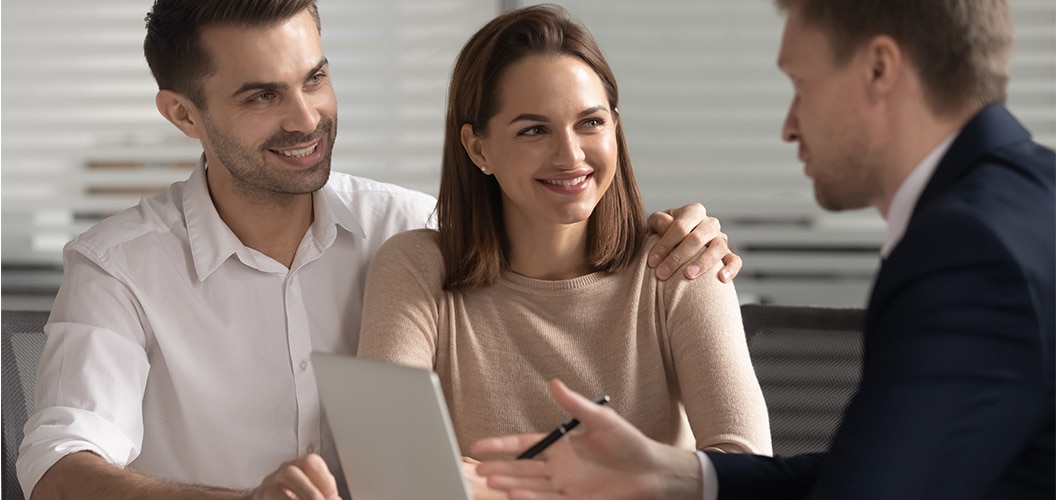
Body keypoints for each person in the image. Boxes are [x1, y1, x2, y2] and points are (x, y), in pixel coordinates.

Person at [14, 1, 743, 499]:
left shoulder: (411, 227)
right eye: (261, 96)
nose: (306, 118)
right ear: (183, 114)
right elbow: (58, 466)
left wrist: (686, 238)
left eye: (316, 78)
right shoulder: (121, 264)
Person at [472, 0, 1056, 499]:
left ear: (879, 69)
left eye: (800, 84)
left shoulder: (970, 252)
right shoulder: (1026, 204)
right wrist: (676, 474)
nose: (788, 125)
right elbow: (887, 471)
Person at [355, 4, 772, 498]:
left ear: (615, 126)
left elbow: (746, 474)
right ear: (478, 149)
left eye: (590, 122)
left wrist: (490, 485)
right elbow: (391, 477)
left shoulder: (678, 263)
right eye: (534, 130)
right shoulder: (416, 268)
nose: (570, 156)